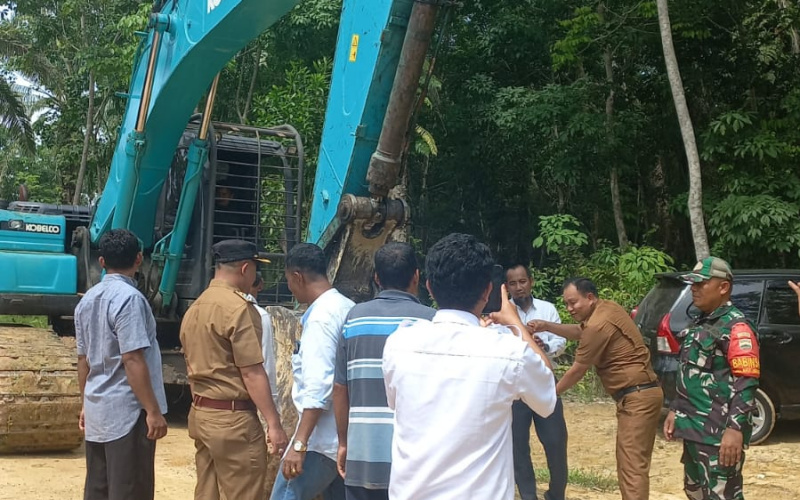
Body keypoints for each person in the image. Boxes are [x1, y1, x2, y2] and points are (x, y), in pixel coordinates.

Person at [382, 233, 556, 500]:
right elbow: (547, 397)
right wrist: (515, 323)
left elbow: (396, 404)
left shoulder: (399, 343)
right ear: (488, 291)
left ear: (429, 286)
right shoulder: (508, 351)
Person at [529, 278, 662, 500]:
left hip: (637, 396)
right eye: (567, 304)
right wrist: (547, 325)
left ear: (590, 298)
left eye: (573, 303)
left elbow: (577, 370)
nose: (570, 309)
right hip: (640, 394)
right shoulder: (608, 309)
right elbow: (579, 331)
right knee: (631, 463)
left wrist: (549, 395)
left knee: (631, 468)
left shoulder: (598, 324)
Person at [181, 239, 288, 500]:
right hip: (233, 422)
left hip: (201, 413)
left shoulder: (195, 307)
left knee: (207, 492)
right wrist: (273, 424)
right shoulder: (239, 309)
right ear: (245, 268)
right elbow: (252, 373)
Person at [333, 242, 436, 500]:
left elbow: (339, 387)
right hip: (417, 463)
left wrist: (344, 443)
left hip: (363, 455)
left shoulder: (354, 318)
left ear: (376, 277)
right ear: (416, 276)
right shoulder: (432, 321)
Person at [75, 228, 168, 500]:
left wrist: (85, 404)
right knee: (131, 489)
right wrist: (152, 410)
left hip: (98, 410)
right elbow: (132, 357)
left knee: (99, 488)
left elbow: (83, 360)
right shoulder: (131, 300)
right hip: (129, 413)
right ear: (139, 259)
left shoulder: (86, 301)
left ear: (101, 262)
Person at [664, 257, 760, 500]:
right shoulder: (701, 323)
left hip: (718, 436)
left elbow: (746, 382)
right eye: (693, 284)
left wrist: (735, 430)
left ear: (723, 287)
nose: (694, 289)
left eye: (701, 284)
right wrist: (676, 409)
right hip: (693, 430)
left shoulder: (737, 329)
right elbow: (688, 373)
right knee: (695, 492)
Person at [271, 243, 355, 500]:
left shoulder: (321, 318)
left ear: (298, 277)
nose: (289, 287)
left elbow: (319, 387)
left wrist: (299, 444)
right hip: (342, 439)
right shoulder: (347, 306)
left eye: (288, 280)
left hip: (319, 441)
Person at [506, 264, 568, 500]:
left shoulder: (547, 309)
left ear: (530, 282)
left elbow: (561, 340)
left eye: (522, 281)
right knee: (518, 444)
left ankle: (556, 493)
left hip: (544, 382)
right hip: (515, 388)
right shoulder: (503, 313)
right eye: (513, 283)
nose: (519, 287)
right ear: (507, 287)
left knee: (555, 442)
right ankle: (528, 495)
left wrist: (547, 346)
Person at [248, 274, 280, 415]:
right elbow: (266, 362)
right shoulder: (260, 316)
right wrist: (273, 409)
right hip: (246, 402)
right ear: (260, 285)